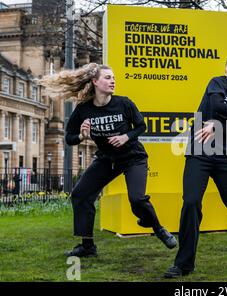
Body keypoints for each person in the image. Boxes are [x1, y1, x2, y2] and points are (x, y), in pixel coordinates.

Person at [40, 63, 177, 257]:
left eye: (113, 78)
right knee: (80, 194)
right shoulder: (83, 110)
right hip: (106, 159)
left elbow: (141, 126)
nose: (112, 81)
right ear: (95, 82)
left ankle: (158, 228)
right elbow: (69, 137)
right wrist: (81, 136)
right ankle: (87, 247)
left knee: (137, 199)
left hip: (132, 157)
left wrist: (125, 137)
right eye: (107, 78)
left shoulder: (124, 103)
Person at [164, 53, 227, 278]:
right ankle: (184, 264)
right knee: (191, 203)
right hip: (200, 152)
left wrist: (217, 125)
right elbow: (216, 105)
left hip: (225, 157)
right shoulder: (217, 83)